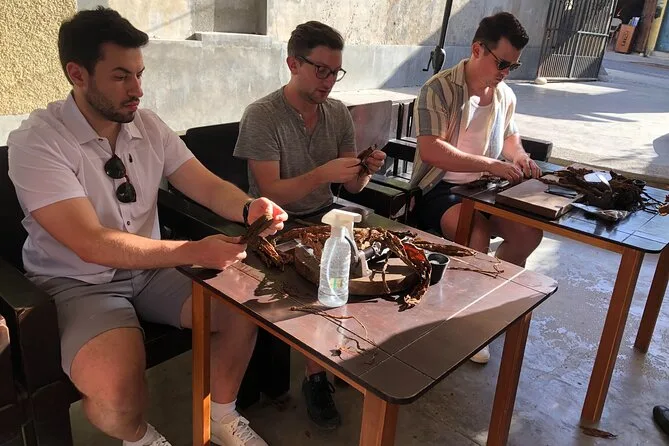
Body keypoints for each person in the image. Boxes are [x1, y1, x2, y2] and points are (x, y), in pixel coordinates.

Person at [7, 8, 287, 446]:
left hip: (153, 271)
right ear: (77, 74)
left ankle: (221, 417)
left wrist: (249, 207)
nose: (137, 89)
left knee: (242, 306)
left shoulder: (148, 125)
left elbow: (204, 184)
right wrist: (193, 251)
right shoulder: (38, 140)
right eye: (121, 76)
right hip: (78, 283)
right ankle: (140, 438)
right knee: (118, 394)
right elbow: (90, 243)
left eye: (139, 74)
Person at [233, 21, 385, 429]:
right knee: (321, 277)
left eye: (335, 72)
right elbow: (270, 191)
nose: (329, 81)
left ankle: (343, 354)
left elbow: (352, 184)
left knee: (369, 263)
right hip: (275, 223)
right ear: (293, 64)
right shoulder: (263, 115)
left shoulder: (336, 113)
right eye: (321, 70)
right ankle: (316, 377)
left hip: (325, 215)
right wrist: (322, 173)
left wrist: (365, 169)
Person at [410, 12, 543, 364]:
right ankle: (466, 322)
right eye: (502, 63)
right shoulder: (439, 88)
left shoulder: (505, 95)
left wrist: (520, 157)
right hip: (440, 188)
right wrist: (490, 164)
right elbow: (431, 149)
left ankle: (488, 295)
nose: (506, 72)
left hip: (486, 188)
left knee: (529, 233)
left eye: (513, 66)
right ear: (477, 49)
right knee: (475, 234)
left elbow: (511, 138)